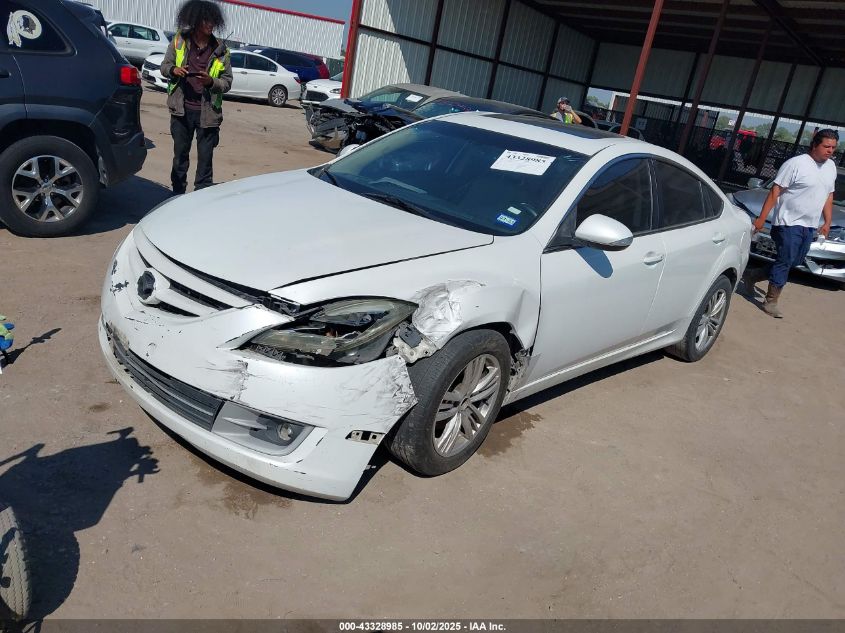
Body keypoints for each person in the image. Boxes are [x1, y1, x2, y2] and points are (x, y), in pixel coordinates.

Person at [747, 129, 838, 318]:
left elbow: (829, 195)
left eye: (833, 147)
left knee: (795, 261)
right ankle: (771, 300)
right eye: (826, 146)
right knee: (786, 259)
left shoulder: (831, 167)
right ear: (815, 145)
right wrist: (762, 218)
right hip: (787, 222)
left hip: (809, 224)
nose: (830, 151)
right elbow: (775, 191)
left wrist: (827, 222)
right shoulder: (796, 164)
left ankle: (753, 275)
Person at [160, 0, 233, 195]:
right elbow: (164, 66)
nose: (211, 24)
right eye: (206, 20)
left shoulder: (221, 49)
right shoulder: (179, 41)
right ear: (195, 20)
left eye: (213, 20)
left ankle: (201, 198)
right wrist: (174, 70)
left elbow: (227, 82)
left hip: (208, 115)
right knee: (180, 158)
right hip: (181, 111)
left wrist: (211, 82)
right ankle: (177, 195)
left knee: (205, 162)